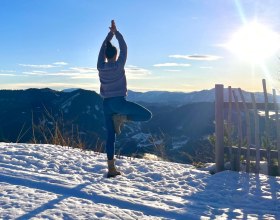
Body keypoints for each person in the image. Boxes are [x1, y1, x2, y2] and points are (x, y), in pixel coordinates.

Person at [97, 20, 152, 178]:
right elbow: (124, 48)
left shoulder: (100, 66)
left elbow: (102, 48)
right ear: (115, 55)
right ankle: (122, 118)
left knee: (110, 137)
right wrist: (116, 33)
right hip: (119, 103)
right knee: (147, 115)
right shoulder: (119, 65)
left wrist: (109, 36)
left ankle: (111, 169)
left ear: (105, 56)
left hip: (106, 104)